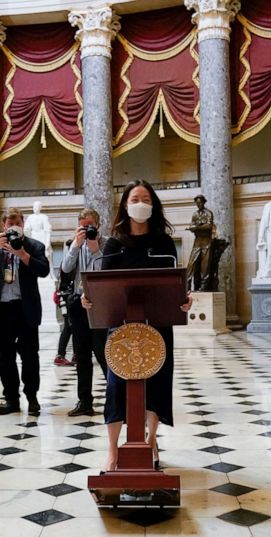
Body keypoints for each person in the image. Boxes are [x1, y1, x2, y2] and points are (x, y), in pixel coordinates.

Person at [82, 180, 191, 472]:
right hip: (121, 326)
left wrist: (183, 300)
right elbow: (102, 287)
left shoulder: (164, 243)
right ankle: (112, 451)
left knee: (157, 382)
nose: (140, 203)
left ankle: (152, 441)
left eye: (145, 198)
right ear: (126, 206)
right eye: (134, 198)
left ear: (153, 205)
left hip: (157, 323)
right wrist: (89, 299)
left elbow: (174, 284)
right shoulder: (114, 243)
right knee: (116, 386)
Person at [0, 208, 50, 415]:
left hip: (24, 308)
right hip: (1, 309)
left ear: (23, 223)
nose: (13, 227)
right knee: (5, 357)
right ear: (3, 226)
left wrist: (23, 254)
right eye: (9, 224)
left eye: (16, 223)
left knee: (30, 356)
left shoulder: (34, 245)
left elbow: (43, 270)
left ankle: (32, 397)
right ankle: (11, 400)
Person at [60, 208, 109, 417]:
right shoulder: (74, 244)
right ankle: (85, 401)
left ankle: (117, 399)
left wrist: (95, 248)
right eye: (83, 226)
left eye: (90, 225)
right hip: (78, 304)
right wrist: (76, 245)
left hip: (101, 304)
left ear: (98, 226)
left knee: (103, 353)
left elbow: (106, 270)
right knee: (81, 355)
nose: (87, 229)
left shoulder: (107, 243)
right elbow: (65, 267)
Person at [52, 280, 73, 367]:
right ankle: (60, 355)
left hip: (65, 293)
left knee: (70, 327)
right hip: (67, 295)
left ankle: (64, 355)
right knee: (69, 327)